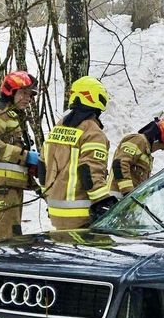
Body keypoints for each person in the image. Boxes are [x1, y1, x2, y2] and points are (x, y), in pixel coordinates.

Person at [41, 76, 116, 230]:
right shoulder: (92, 132)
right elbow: (89, 171)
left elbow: (42, 167)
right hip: (82, 214)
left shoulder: (58, 127)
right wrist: (105, 203)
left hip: (55, 211)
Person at [0, 70, 39, 241]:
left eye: (30, 95)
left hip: (11, 187)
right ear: (10, 91)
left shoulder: (15, 117)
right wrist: (25, 156)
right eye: (23, 93)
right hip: (0, 187)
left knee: (12, 236)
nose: (28, 98)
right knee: (3, 239)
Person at [111, 117, 164, 195]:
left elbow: (138, 185)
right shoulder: (139, 140)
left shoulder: (147, 155)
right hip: (116, 198)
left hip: (126, 203)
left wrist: (154, 189)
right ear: (159, 139)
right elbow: (120, 163)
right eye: (163, 146)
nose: (161, 149)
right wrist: (128, 193)